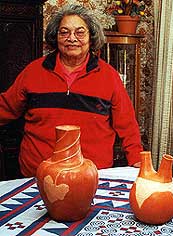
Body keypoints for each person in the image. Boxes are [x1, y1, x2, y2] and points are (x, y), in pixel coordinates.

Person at [0, 4, 143, 177]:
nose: (72, 38)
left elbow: (127, 125)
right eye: (64, 32)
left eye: (80, 32)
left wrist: (137, 160)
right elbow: (6, 108)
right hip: (36, 177)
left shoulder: (109, 76)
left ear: (91, 37)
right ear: (55, 37)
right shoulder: (33, 71)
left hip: (92, 177)